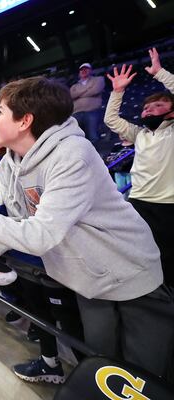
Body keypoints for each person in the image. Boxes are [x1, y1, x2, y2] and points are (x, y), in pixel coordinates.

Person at [0, 76, 172, 380]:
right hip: (90, 281)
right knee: (105, 368)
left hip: (131, 276)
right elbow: (22, 219)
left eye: (0, 112)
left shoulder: (73, 154)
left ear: (25, 120)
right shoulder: (12, 162)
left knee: (145, 378)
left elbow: (41, 234)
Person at [104, 47, 174, 289]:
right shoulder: (139, 134)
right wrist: (118, 91)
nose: (149, 110)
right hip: (139, 201)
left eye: (157, 106)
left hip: (168, 205)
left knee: (169, 257)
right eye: (146, 108)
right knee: (141, 253)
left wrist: (160, 73)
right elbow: (111, 120)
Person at [70, 62, 105, 143]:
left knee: (92, 136)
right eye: (81, 70)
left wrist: (78, 94)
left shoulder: (99, 79)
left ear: (91, 70)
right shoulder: (74, 86)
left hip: (92, 111)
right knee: (77, 137)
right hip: (76, 113)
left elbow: (96, 90)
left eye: (86, 69)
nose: (83, 71)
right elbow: (71, 95)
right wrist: (87, 89)